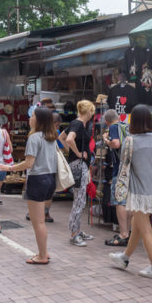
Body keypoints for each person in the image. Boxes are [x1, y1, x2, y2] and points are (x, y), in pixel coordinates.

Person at [109, 105, 152, 279]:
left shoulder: (130, 141)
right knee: (137, 224)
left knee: (145, 230)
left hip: (138, 192)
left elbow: (123, 167)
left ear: (132, 121)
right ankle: (125, 258)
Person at [0, 107, 57, 264]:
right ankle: (44, 252)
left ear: (39, 120)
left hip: (37, 180)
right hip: (50, 179)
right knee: (41, 220)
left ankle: (42, 255)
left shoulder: (35, 138)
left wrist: (9, 168)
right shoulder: (51, 137)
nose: (29, 119)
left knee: (38, 222)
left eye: (33, 116)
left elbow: (29, 163)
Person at [59, 99, 95, 246]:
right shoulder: (79, 124)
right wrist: (78, 154)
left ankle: (77, 230)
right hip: (80, 165)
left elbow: (61, 137)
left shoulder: (77, 123)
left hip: (77, 164)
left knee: (79, 199)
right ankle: (74, 234)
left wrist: (72, 153)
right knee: (79, 200)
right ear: (89, 111)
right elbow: (68, 139)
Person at [102, 109, 130, 247]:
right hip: (130, 169)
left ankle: (123, 234)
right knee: (128, 201)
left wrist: (106, 140)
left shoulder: (113, 127)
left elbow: (116, 144)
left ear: (107, 122)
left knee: (120, 201)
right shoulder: (127, 126)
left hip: (120, 170)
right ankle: (129, 232)